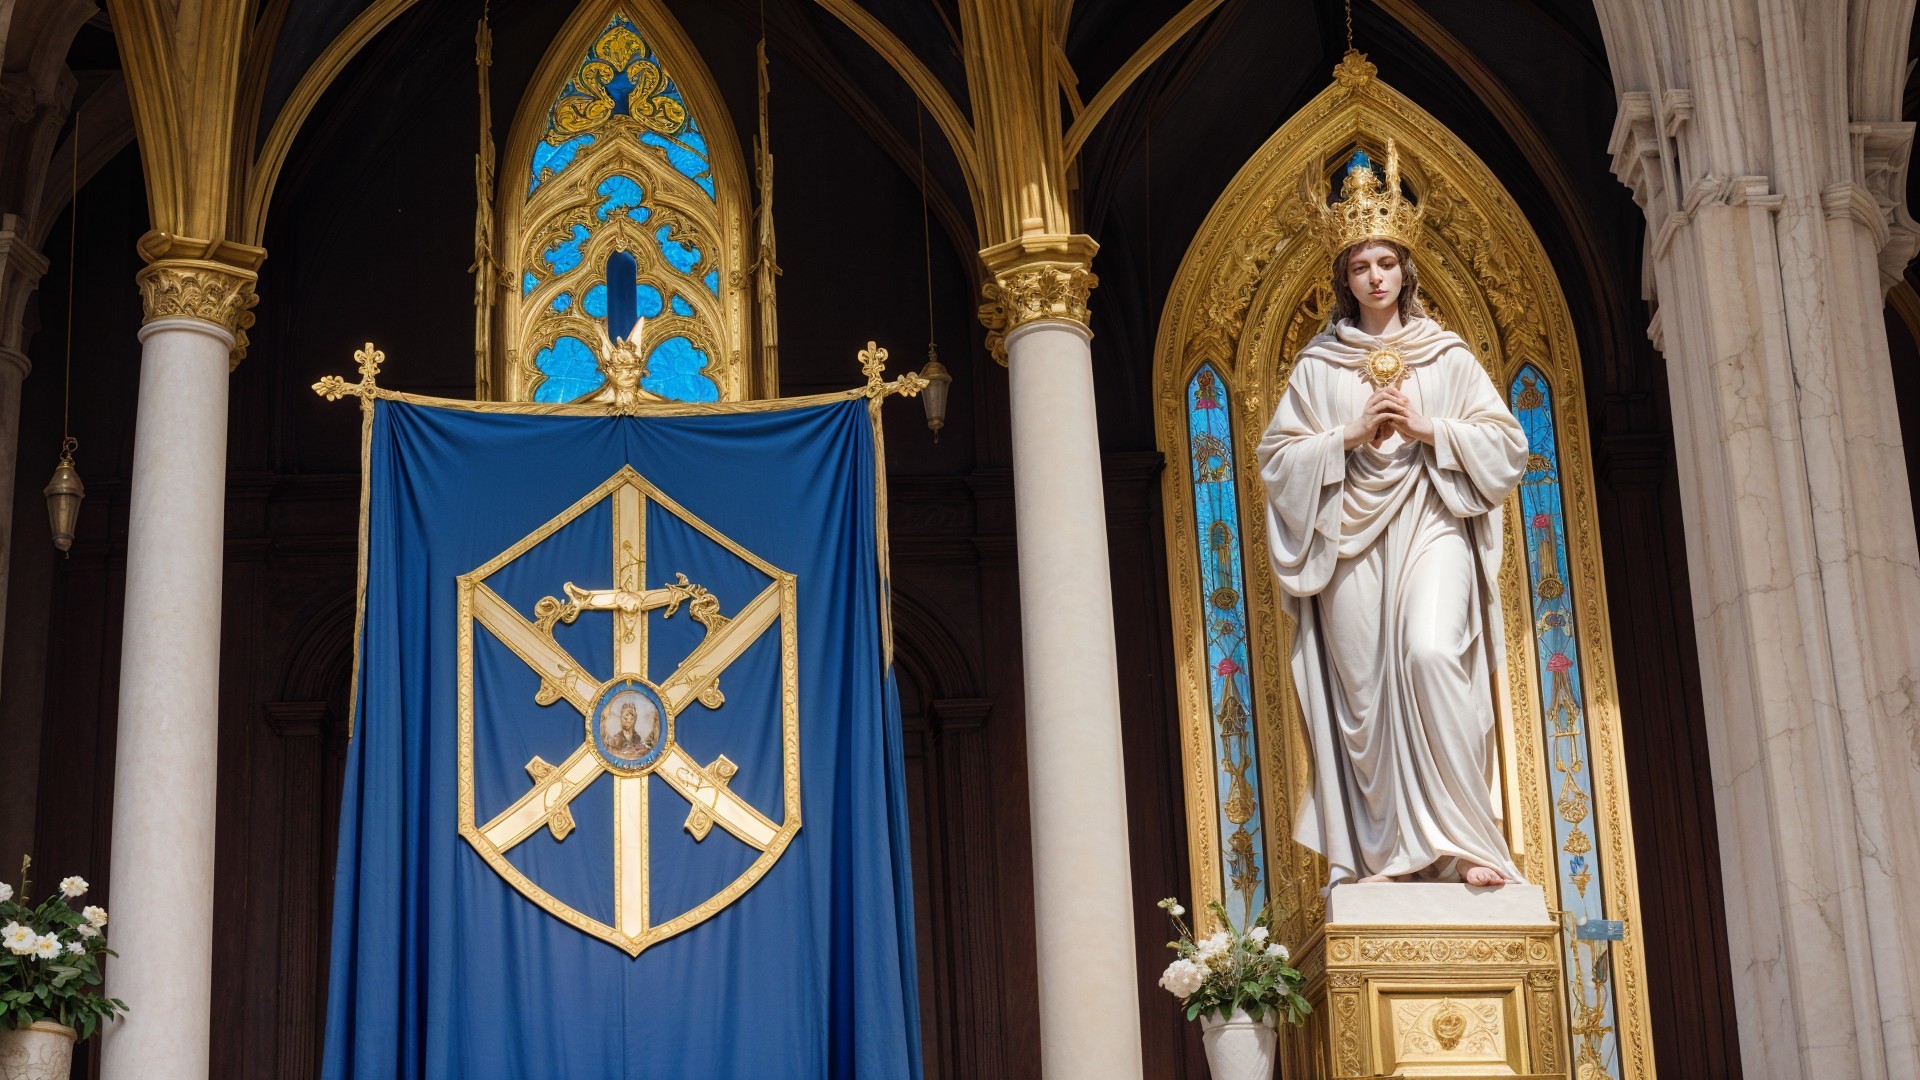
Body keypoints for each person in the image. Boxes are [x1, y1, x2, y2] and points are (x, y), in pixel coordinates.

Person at [1257, 142, 1528, 890]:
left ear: (1405, 270)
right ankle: (1389, 858)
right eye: (1358, 267)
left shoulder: (1445, 357)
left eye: (1385, 263)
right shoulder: (1318, 366)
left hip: (1430, 519)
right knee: (1366, 698)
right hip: (1347, 539)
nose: (1374, 277)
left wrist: (1425, 428)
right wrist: (1346, 437)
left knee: (1432, 653)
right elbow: (1275, 462)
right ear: (1344, 281)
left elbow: (1508, 447)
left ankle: (1469, 842)